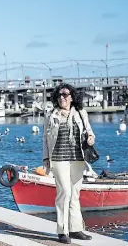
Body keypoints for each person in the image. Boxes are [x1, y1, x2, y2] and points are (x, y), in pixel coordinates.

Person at [42, 83, 94, 244]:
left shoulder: (81, 113)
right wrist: (45, 158)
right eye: (59, 95)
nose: (62, 97)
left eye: (65, 94)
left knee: (75, 194)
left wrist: (91, 138)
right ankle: (62, 230)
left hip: (78, 159)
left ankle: (76, 228)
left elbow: (90, 132)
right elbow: (45, 138)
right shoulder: (50, 114)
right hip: (58, 158)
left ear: (72, 97)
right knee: (64, 192)